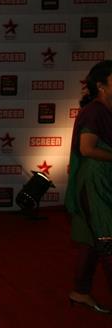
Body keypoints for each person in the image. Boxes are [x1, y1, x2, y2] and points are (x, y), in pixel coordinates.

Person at [65, 59, 112, 314]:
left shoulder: (105, 109)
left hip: (102, 179)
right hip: (95, 182)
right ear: (101, 85)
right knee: (107, 239)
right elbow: (87, 148)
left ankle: (80, 291)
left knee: (91, 241)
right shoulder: (95, 111)